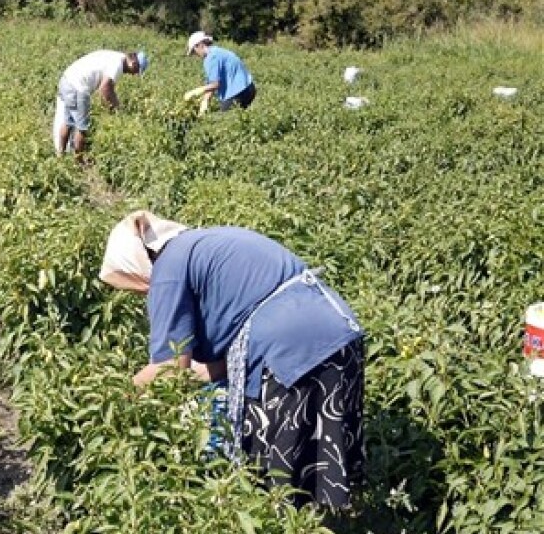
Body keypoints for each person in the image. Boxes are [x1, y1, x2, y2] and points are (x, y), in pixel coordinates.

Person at [99, 211, 365, 508]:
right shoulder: (209, 242)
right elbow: (218, 364)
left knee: (275, 487)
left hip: (285, 352)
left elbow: (169, 370)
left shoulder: (169, 267)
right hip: (339, 336)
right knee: (319, 472)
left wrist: (115, 398)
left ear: (136, 263)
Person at [52, 49, 149, 157]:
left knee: (68, 122)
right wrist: (117, 108)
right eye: (136, 71)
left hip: (68, 79)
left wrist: (111, 102)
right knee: (83, 128)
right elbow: (105, 89)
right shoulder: (118, 64)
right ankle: (79, 161)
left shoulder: (117, 57)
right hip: (78, 88)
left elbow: (107, 89)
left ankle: (60, 155)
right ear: (134, 63)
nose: (133, 74)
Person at [183, 31, 256, 114]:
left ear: (200, 45)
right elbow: (211, 82)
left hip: (237, 92)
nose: (195, 54)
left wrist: (196, 91)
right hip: (249, 88)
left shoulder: (211, 58)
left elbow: (215, 84)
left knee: (224, 121)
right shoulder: (216, 51)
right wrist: (205, 101)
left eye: (194, 51)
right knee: (238, 117)